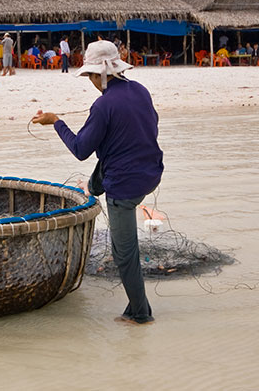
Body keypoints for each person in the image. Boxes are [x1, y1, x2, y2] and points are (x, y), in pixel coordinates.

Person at [32, 40, 163, 325]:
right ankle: (94, 185)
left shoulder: (103, 105)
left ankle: (140, 314)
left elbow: (80, 150)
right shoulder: (140, 90)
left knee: (124, 253)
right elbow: (151, 124)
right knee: (106, 164)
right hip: (151, 172)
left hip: (124, 188)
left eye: (90, 76)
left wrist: (56, 122)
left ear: (98, 74)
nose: (91, 81)